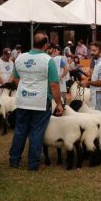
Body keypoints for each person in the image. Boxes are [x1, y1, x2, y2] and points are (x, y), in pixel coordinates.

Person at [8, 33, 64, 171]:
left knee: (20, 130)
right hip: (40, 100)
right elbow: (54, 85)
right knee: (36, 132)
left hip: (23, 100)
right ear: (46, 45)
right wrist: (59, 103)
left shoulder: (20, 58)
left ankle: (14, 160)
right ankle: (33, 163)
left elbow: (15, 80)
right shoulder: (48, 60)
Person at [81, 42, 101, 112]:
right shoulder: (99, 63)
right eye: (91, 50)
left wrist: (88, 83)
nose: (91, 53)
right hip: (98, 94)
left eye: (94, 51)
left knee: (100, 119)